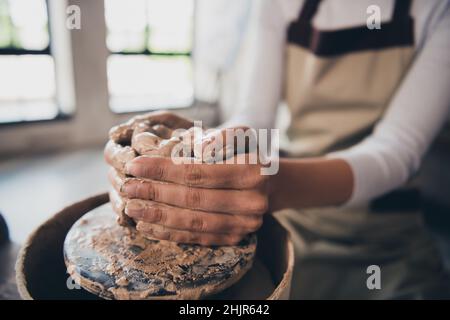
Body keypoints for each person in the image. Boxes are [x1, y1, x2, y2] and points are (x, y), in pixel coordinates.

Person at [105, 0, 450, 299]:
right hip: (294, 223)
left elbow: (396, 151)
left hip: (385, 236)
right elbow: (255, 120)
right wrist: (210, 144)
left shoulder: (437, 9)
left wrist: (273, 185)